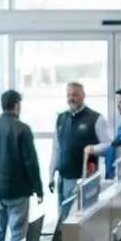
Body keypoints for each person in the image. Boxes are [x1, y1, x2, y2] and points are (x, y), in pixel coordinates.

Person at [0, 89, 44, 241]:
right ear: (16, 105)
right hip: (18, 191)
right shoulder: (22, 129)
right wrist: (38, 188)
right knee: (18, 235)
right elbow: (30, 162)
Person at [48, 82, 111, 219]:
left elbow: (108, 145)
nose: (72, 98)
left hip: (84, 179)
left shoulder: (95, 118)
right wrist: (51, 174)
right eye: (69, 95)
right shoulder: (61, 118)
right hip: (63, 178)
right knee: (63, 219)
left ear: (83, 96)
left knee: (79, 219)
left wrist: (93, 149)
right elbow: (56, 148)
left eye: (75, 95)